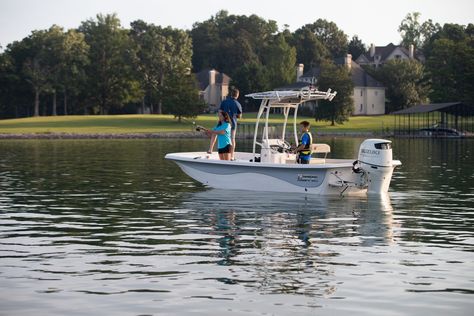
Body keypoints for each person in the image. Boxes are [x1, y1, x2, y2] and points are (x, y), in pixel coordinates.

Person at [218, 87, 242, 160]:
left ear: (231, 94)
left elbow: (219, 111)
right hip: (233, 124)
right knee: (232, 139)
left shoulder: (224, 102)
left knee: (224, 139)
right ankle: (231, 156)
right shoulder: (238, 104)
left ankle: (222, 153)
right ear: (237, 95)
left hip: (224, 124)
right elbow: (240, 116)